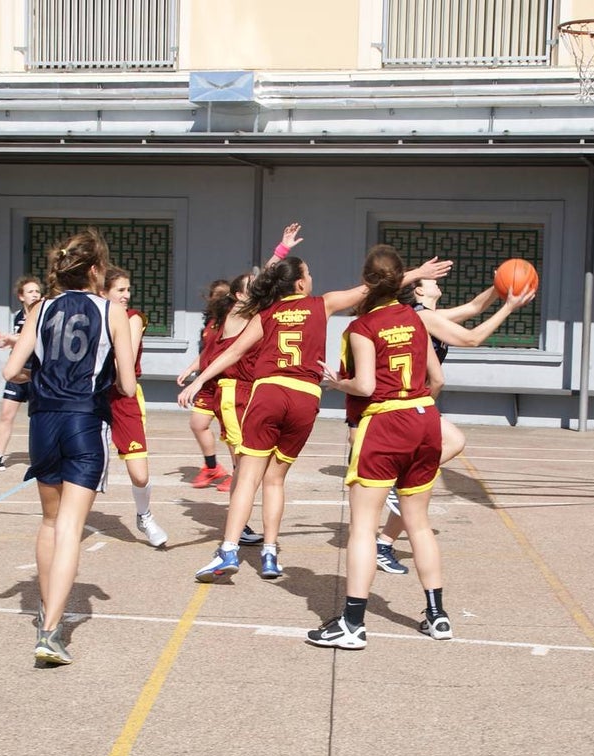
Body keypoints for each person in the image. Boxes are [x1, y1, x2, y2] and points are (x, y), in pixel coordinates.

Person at [176, 223, 450, 583]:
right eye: (308, 274)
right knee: (275, 480)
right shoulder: (323, 304)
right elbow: (371, 287)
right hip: (305, 398)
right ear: (300, 285)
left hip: (269, 393)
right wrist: (416, 272)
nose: (312, 278)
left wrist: (199, 379)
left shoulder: (267, 313)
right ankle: (270, 553)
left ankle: (228, 550)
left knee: (248, 478)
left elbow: (233, 352)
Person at [4, 228, 137, 665]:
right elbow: (127, 384)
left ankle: (47, 613)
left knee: (49, 521)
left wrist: (40, 377)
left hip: (43, 421)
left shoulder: (40, 308)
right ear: (96, 270)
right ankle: (50, 631)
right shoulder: (111, 310)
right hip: (84, 420)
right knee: (69, 529)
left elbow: (11, 371)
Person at [307, 244, 447, 649]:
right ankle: (437, 616)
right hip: (425, 417)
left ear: (366, 282)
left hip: (385, 422)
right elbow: (438, 379)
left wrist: (338, 384)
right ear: (401, 280)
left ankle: (352, 623)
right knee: (418, 524)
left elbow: (366, 385)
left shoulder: (363, 327)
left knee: (363, 528)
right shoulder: (417, 319)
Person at [371, 276, 536, 574]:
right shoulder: (423, 318)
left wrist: (500, 285)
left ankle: (383, 544)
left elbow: (474, 307)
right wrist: (508, 308)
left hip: (412, 400)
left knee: (417, 485)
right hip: (407, 403)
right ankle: (397, 482)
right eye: (430, 280)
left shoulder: (429, 316)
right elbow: (472, 339)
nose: (437, 281)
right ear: (418, 290)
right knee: (454, 442)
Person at [176, 273, 263, 545]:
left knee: (245, 468)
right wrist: (197, 377)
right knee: (243, 468)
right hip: (232, 391)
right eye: (252, 286)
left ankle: (238, 523)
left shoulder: (249, 316)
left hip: (241, 390)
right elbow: (216, 353)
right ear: (239, 296)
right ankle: (238, 528)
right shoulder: (233, 317)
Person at [101, 266, 168, 548]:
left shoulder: (133, 318)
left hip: (123, 396)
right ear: (103, 292)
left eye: (128, 289)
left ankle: (144, 515)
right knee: (88, 469)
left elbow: (124, 358)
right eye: (120, 290)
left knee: (140, 475)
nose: (127, 294)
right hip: (93, 396)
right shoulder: (92, 317)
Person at [0, 276, 43, 471]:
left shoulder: (43, 316)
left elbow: (33, 339)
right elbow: (19, 341)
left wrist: (9, 338)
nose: (35, 294)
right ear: (21, 296)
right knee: (6, 415)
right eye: (30, 291)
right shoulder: (18, 316)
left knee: (38, 419)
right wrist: (3, 340)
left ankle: (42, 459)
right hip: (18, 372)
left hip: (37, 372)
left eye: (37, 291)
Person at [181, 278, 234, 490]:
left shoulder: (235, 322)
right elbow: (207, 353)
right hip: (208, 383)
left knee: (230, 432)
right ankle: (212, 467)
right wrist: (190, 369)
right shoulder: (211, 323)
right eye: (216, 295)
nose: (219, 299)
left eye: (224, 295)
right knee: (197, 424)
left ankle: (238, 473)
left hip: (227, 382)